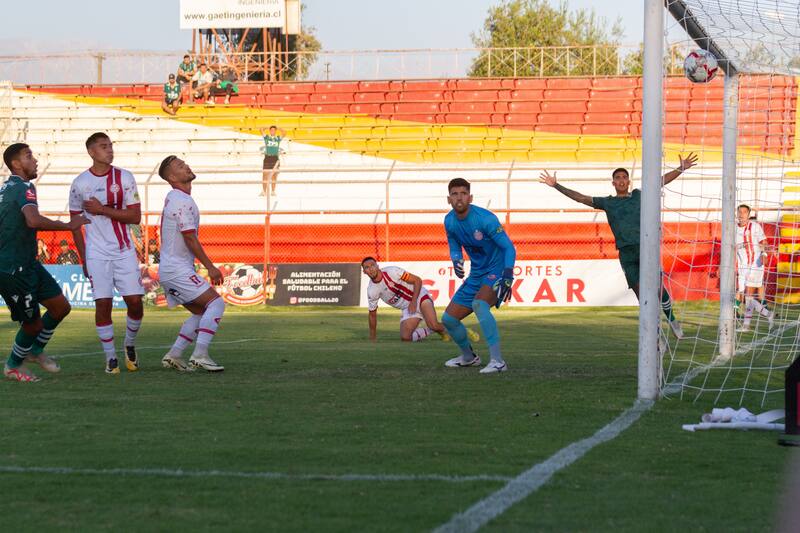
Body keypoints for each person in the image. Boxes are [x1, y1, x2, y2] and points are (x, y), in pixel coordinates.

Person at [538, 153, 699, 340]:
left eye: (624, 177)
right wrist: (556, 185)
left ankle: (672, 320)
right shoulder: (608, 202)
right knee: (643, 298)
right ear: (613, 183)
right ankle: (656, 337)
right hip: (626, 253)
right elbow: (581, 198)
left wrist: (682, 168)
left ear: (629, 182)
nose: (621, 181)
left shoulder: (639, 195)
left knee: (658, 288)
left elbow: (660, 182)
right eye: (618, 178)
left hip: (646, 248)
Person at [1, 143, 90, 382]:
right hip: (13, 270)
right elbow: (32, 221)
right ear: (16, 164)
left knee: (61, 307)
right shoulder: (24, 187)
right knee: (32, 325)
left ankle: (35, 350)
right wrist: (67, 226)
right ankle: (12, 366)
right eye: (29, 156)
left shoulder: (8, 188)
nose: (35, 160)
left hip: (27, 263)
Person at [69, 132, 145, 374]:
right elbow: (75, 224)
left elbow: (135, 216)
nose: (109, 150)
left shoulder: (124, 177)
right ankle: (110, 358)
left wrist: (102, 210)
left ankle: (129, 344)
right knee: (103, 303)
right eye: (103, 146)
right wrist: (83, 258)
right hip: (96, 253)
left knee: (135, 302)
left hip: (124, 250)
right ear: (92, 152)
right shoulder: (80, 183)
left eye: (110, 146)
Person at [157, 155, 226, 372]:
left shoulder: (177, 198)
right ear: (171, 177)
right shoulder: (180, 200)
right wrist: (210, 267)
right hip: (176, 269)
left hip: (172, 269)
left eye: (184, 163)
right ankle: (200, 354)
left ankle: (175, 354)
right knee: (216, 304)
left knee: (200, 312)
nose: (186, 166)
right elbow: (189, 237)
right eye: (180, 166)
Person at [441, 178, 516, 374]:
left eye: (463, 193)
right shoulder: (449, 221)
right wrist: (456, 259)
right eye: (455, 194)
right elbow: (454, 244)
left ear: (470, 197)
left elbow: (508, 247)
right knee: (448, 319)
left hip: (497, 270)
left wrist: (508, 274)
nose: (460, 197)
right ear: (448, 199)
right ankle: (468, 357)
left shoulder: (485, 219)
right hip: (477, 274)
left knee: (480, 305)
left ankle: (498, 361)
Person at [361, 257, 474, 343]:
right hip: (407, 307)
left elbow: (417, 281)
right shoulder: (372, 290)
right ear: (364, 272)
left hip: (419, 296)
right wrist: (372, 338)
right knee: (405, 338)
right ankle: (434, 330)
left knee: (433, 324)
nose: (370, 269)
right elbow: (372, 314)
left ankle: (462, 330)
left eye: (372, 265)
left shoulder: (393, 271)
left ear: (377, 265)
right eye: (367, 267)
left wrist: (414, 301)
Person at [735, 204, 774, 331]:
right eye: (739, 212)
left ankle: (746, 325)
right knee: (744, 296)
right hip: (742, 267)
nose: (741, 214)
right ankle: (768, 314)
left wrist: (764, 254)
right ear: (736, 213)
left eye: (744, 212)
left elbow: (764, 242)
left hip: (755, 264)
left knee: (748, 295)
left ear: (749, 214)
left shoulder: (755, 227)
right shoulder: (733, 230)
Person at [259, 125, 285, 196]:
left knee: (274, 175)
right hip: (267, 157)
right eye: (271, 130)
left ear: (275, 131)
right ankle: (264, 191)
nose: (272, 131)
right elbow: (261, 129)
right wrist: (267, 127)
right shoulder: (267, 137)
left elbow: (284, 133)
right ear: (270, 131)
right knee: (265, 175)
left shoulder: (277, 138)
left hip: (275, 158)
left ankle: (273, 191)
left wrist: (279, 128)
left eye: (274, 130)